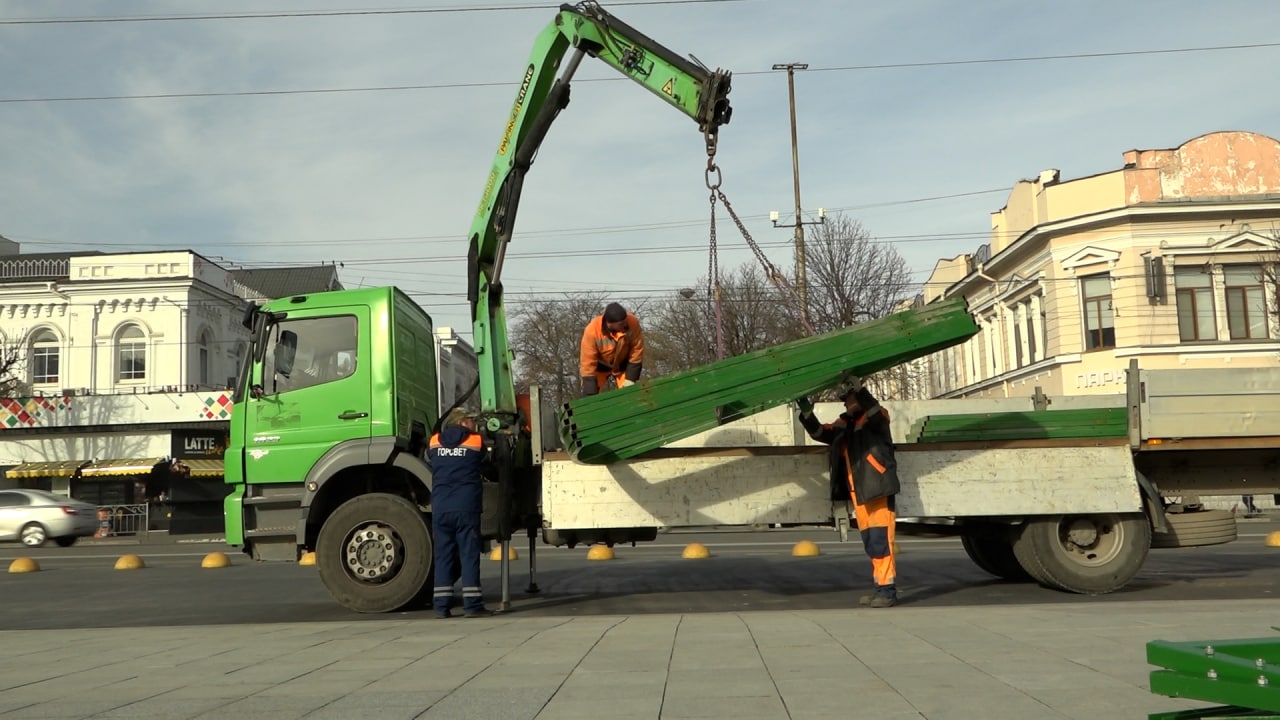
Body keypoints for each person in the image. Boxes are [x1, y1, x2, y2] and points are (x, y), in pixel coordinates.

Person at [797, 385, 901, 607]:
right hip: (861, 491)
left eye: (848, 398)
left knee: (882, 541)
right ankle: (880, 588)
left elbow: (874, 414)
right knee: (872, 542)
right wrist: (807, 414)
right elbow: (820, 433)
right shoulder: (845, 423)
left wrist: (862, 391)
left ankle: (887, 592)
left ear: (860, 399)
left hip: (878, 487)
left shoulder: (876, 416)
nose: (844, 402)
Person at [425, 408, 495, 618]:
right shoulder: (475, 441)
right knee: (468, 555)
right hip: (466, 507)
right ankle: (472, 606)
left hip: (441, 508)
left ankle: (441, 607)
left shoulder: (435, 441)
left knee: (443, 556)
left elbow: (430, 459)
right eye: (472, 420)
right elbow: (486, 460)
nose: (475, 424)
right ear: (463, 422)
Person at [579, 302, 645, 396]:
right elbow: (587, 362)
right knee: (588, 397)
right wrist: (591, 390)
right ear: (609, 323)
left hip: (623, 366)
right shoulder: (592, 331)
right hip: (600, 367)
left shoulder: (632, 322)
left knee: (630, 394)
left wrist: (631, 379)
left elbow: (637, 350)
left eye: (625, 320)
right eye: (621, 323)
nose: (625, 324)